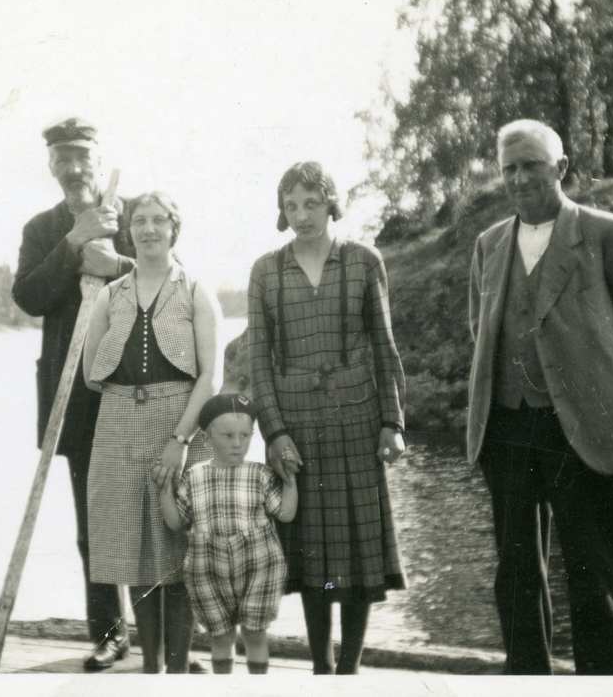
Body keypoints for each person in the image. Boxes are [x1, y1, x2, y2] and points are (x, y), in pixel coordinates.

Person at [467, 119, 613, 675]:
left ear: (561, 167)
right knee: (516, 578)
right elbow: (481, 330)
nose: (519, 178)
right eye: (509, 168)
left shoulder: (610, 235)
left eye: (532, 165)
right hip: (506, 429)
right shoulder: (489, 244)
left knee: (596, 581)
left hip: (588, 429)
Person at [249, 161, 407, 675]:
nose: (302, 215)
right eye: (291, 206)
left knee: (359, 550)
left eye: (311, 204)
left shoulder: (363, 261)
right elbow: (258, 362)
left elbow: (384, 347)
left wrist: (393, 422)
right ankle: (321, 669)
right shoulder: (266, 271)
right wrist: (274, 433)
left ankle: (350, 671)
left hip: (357, 420)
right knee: (311, 552)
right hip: (296, 426)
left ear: (331, 204)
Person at [83, 191, 223, 674]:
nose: (148, 229)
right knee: (136, 554)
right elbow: (91, 373)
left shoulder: (196, 291)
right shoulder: (110, 295)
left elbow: (210, 378)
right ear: (129, 232)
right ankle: (151, 670)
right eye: (139, 221)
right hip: (119, 426)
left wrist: (179, 440)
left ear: (173, 228)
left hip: (180, 425)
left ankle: (178, 673)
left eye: (158, 220)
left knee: (178, 551)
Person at [11, 117, 133, 670]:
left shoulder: (138, 213)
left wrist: (118, 266)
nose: (73, 167)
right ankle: (110, 631)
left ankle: (168, 635)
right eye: (62, 158)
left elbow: (173, 280)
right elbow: (28, 298)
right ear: (51, 166)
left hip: (140, 389)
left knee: (159, 512)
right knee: (93, 520)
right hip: (77, 395)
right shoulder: (42, 229)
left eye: (82, 155)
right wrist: (74, 241)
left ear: (99, 159)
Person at [160, 393, 297, 675]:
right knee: (220, 635)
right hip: (208, 569)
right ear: (207, 439)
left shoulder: (259, 474)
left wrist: (289, 479)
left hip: (258, 566)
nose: (237, 443)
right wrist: (164, 489)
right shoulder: (194, 476)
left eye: (245, 435)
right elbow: (175, 522)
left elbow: (285, 513)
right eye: (228, 436)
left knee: (255, 632)